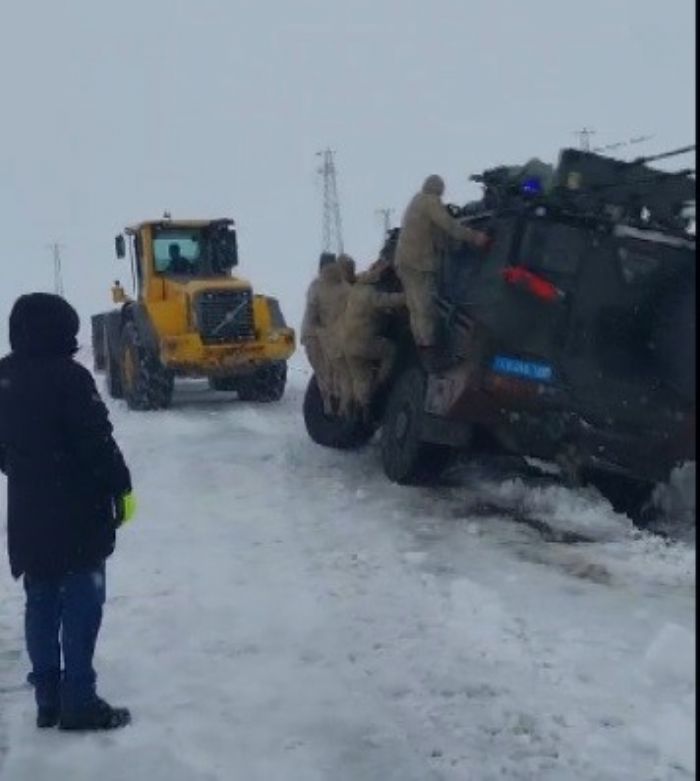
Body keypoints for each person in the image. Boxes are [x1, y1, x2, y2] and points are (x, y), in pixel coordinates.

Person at [0, 293, 134, 731]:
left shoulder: (5, 377)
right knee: (80, 603)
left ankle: (48, 699)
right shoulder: (70, 378)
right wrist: (121, 486)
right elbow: (96, 441)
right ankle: (79, 700)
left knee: (39, 600)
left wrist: (26, 470)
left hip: (28, 514)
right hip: (77, 514)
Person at [394, 174, 490, 369]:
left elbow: (437, 234)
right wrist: (474, 237)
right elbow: (449, 226)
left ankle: (425, 351)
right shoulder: (430, 201)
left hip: (405, 262)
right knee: (425, 308)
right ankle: (431, 357)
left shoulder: (416, 201)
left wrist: (453, 245)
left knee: (416, 308)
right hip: (419, 263)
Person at [342, 262, 406, 414]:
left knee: (361, 379)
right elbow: (390, 300)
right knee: (391, 350)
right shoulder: (371, 294)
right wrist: (410, 295)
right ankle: (381, 383)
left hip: (348, 342)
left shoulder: (356, 288)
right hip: (365, 342)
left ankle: (360, 410)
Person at [315, 253, 356, 414]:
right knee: (342, 375)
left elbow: (315, 314)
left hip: (327, 336)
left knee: (328, 373)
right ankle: (342, 408)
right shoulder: (348, 289)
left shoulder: (319, 287)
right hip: (342, 338)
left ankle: (331, 405)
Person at [300, 253, 336, 403]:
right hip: (314, 337)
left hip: (319, 336)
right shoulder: (318, 286)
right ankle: (328, 408)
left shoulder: (325, 285)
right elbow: (316, 311)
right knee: (324, 373)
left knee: (328, 372)